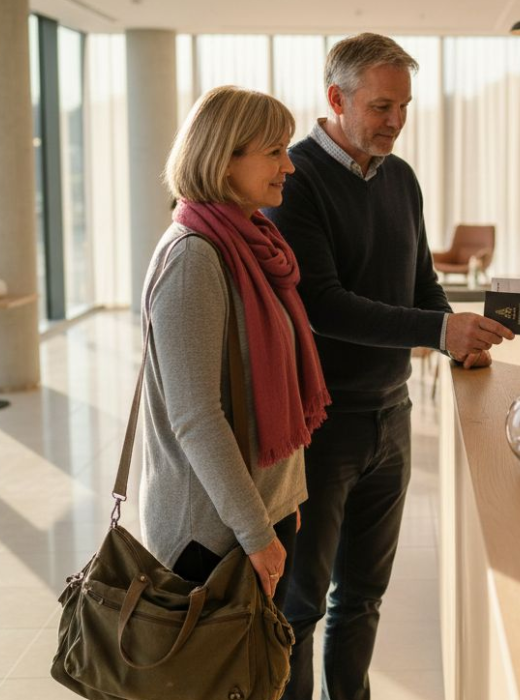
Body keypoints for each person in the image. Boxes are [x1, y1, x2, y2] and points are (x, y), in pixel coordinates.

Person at [263, 33, 513, 700]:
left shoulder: (400, 177)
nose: (396, 121)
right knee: (300, 605)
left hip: (390, 416)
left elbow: (421, 282)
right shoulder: (292, 180)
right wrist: (437, 329)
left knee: (364, 598)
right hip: (320, 425)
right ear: (336, 98)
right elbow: (321, 304)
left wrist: (456, 334)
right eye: (381, 107)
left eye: (403, 106)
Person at [139, 85, 330, 604]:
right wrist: (256, 530)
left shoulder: (252, 243)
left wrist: (283, 498)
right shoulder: (193, 259)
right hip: (213, 535)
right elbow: (196, 416)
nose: (288, 166)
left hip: (257, 513)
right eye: (274, 152)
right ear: (224, 161)